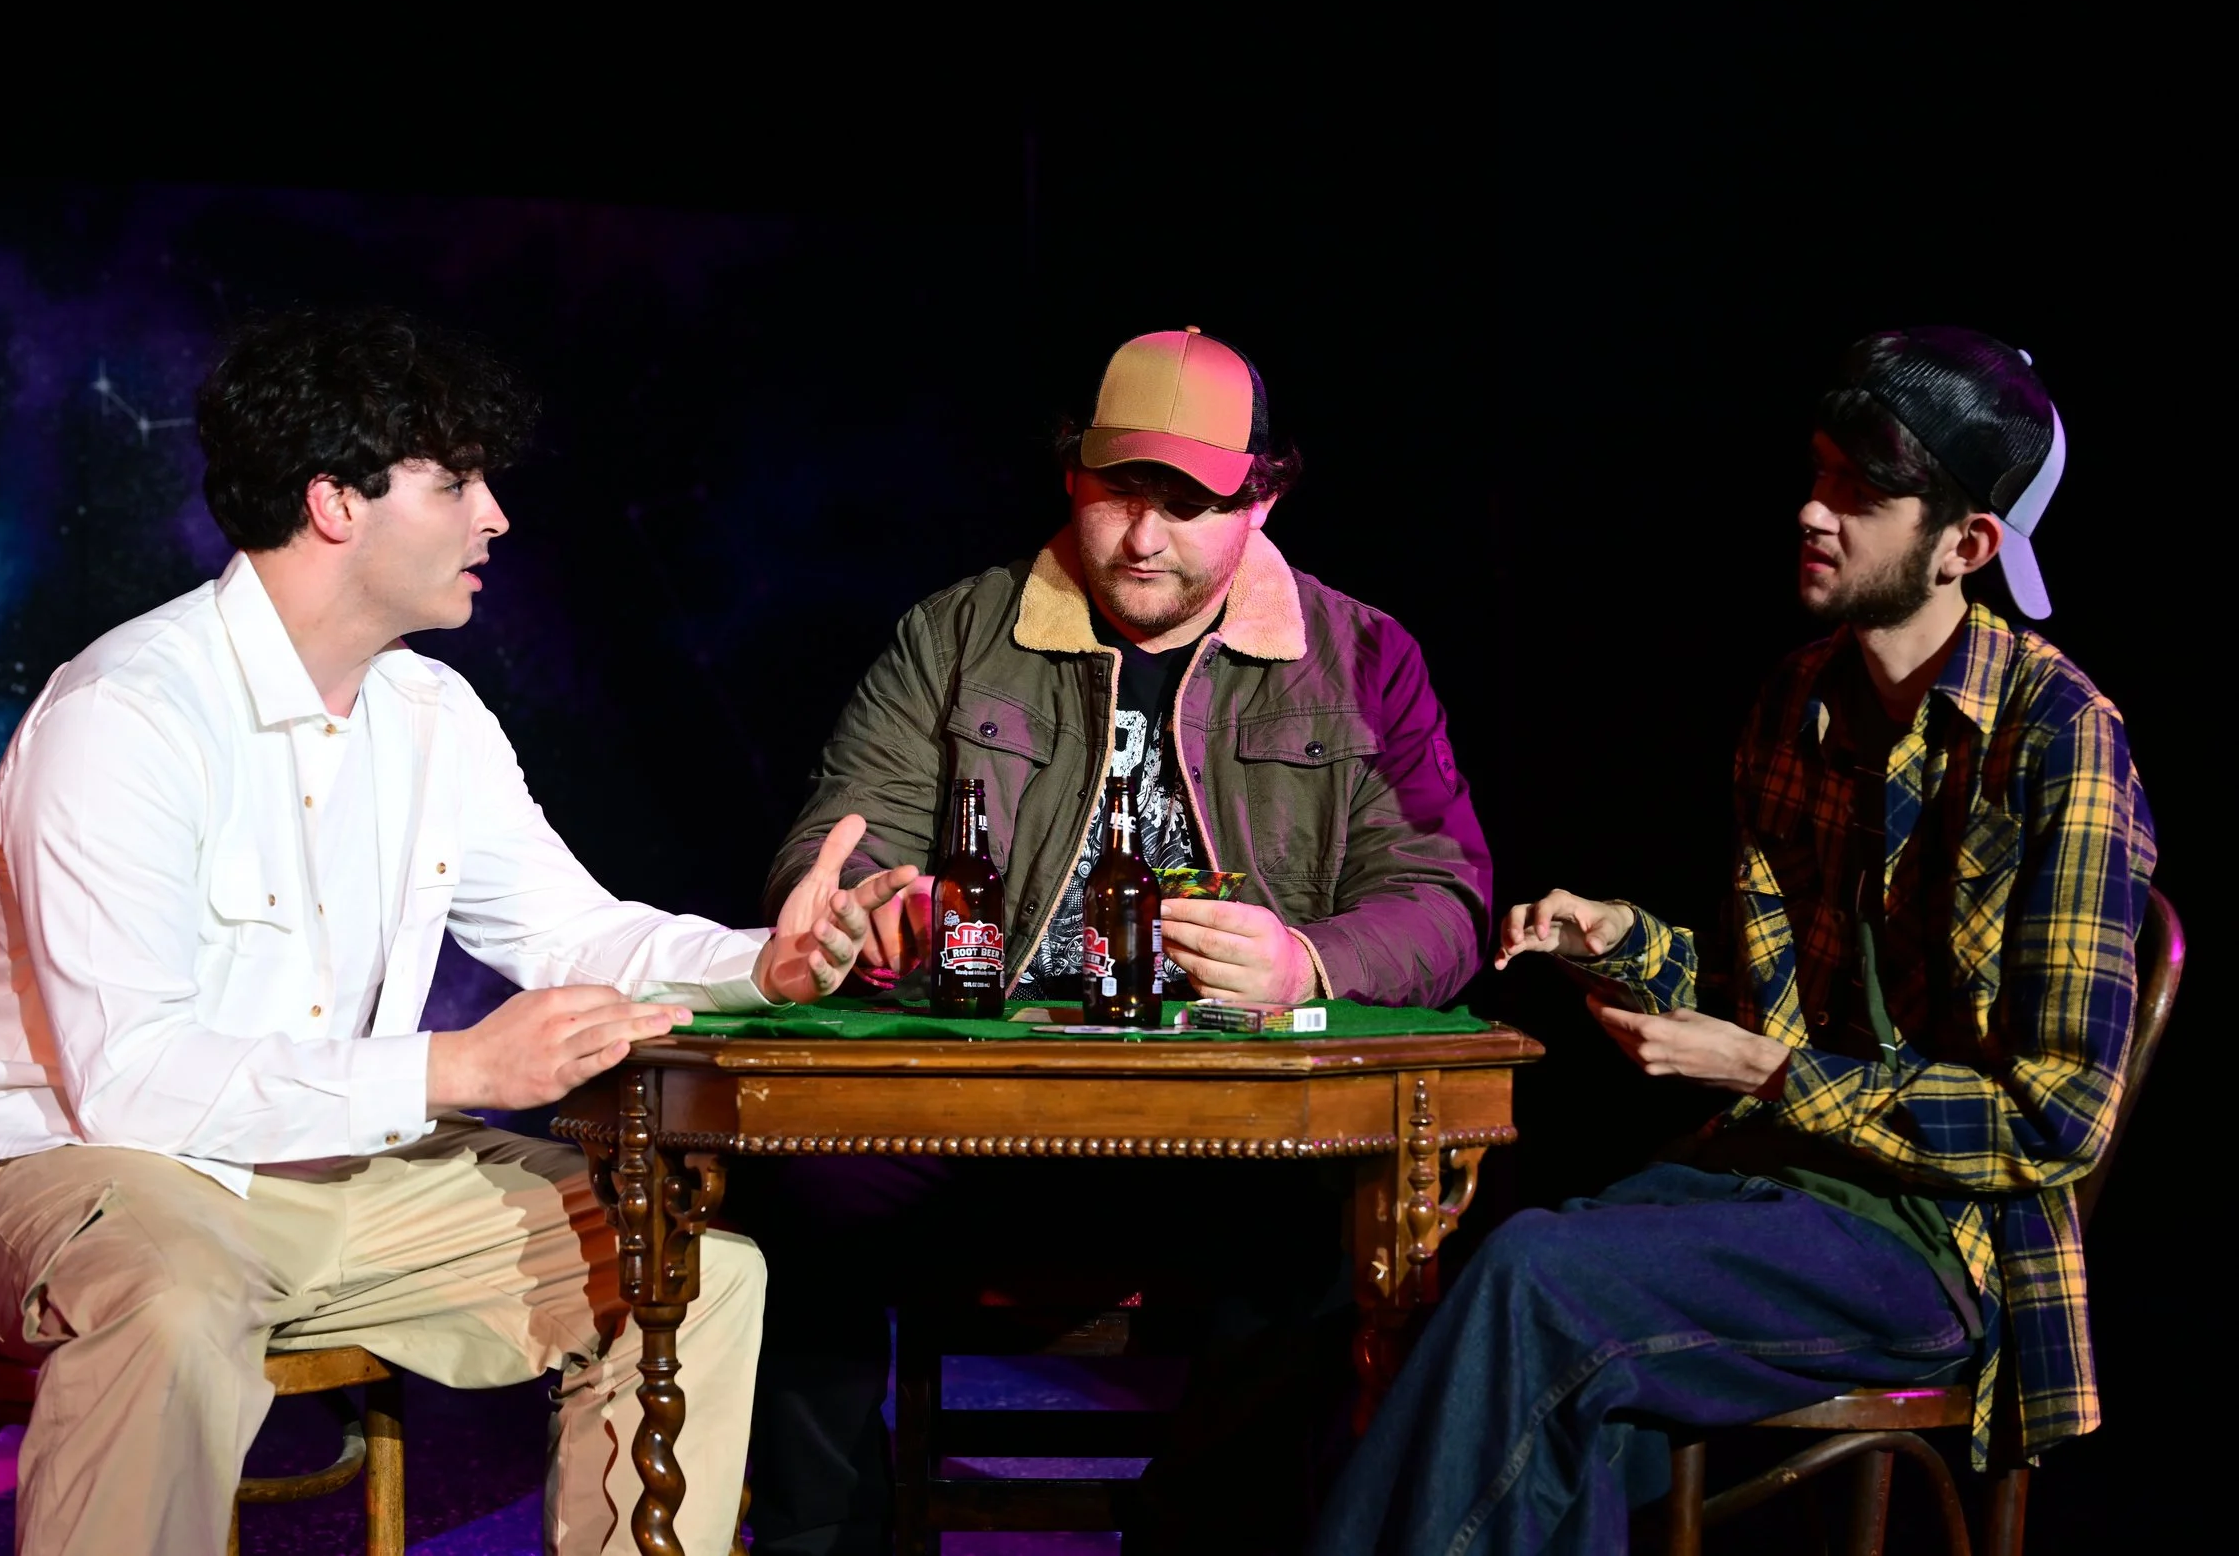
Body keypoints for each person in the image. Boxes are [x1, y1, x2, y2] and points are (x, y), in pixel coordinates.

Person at [0, 308, 915, 1556]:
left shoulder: (432, 713)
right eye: (457, 482)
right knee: (173, 1296)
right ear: (335, 501)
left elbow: (572, 931)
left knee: (691, 1271)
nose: (496, 516)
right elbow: (131, 1080)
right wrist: (459, 1066)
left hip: (333, 1175)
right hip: (79, 1170)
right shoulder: (128, 715)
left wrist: (761, 963)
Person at [1312, 328, 2158, 1556]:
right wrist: (1621, 942)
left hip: (1940, 1244)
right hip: (1772, 1183)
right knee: (1512, 1327)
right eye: (1818, 473)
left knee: (1538, 1282)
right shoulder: (1798, 698)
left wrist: (1762, 1071)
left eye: (1861, 494)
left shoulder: (2061, 737)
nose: (1812, 510)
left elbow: (2058, 1113)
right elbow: (1764, 989)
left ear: (1965, 545)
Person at [741, 327, 1492, 1554]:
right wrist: (870, 907)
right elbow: (843, 834)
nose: (1142, 537)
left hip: (1224, 1133)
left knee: (1331, 1228)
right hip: (976, 1116)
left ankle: (1197, 1534)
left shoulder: (1360, 655)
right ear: (1070, 474)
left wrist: (1305, 962)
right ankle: (828, 1542)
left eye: (1186, 505)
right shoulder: (956, 632)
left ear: (1263, 497)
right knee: (794, 1179)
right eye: (1116, 493)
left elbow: (1442, 895)